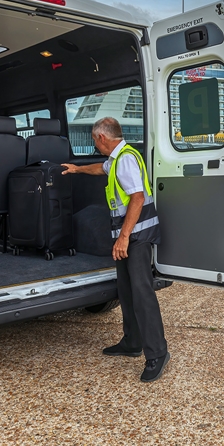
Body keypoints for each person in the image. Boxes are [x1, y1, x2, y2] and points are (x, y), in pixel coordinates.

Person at [61, 117, 170, 383]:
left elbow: (137, 197)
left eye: (94, 139)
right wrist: (77, 169)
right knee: (126, 289)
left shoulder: (127, 159)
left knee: (142, 293)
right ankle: (132, 342)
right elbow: (102, 169)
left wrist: (123, 238)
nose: (94, 144)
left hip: (137, 235)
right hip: (128, 235)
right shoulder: (116, 158)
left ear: (102, 138)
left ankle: (157, 353)